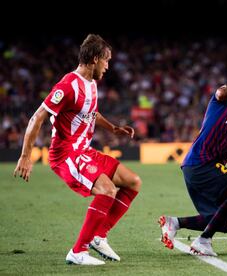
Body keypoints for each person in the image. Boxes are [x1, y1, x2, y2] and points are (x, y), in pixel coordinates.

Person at [13, 34, 142, 265]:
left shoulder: (91, 84)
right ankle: (78, 251)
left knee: (133, 182)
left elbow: (91, 113)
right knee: (107, 190)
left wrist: (113, 128)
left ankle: (99, 236)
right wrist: (25, 156)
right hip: (66, 154)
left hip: (84, 150)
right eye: (106, 60)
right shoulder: (68, 85)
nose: (108, 66)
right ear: (94, 59)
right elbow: (37, 117)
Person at [158, 68, 227, 256]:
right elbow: (220, 92)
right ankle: (204, 240)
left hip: (206, 168)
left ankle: (175, 223)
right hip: (200, 162)